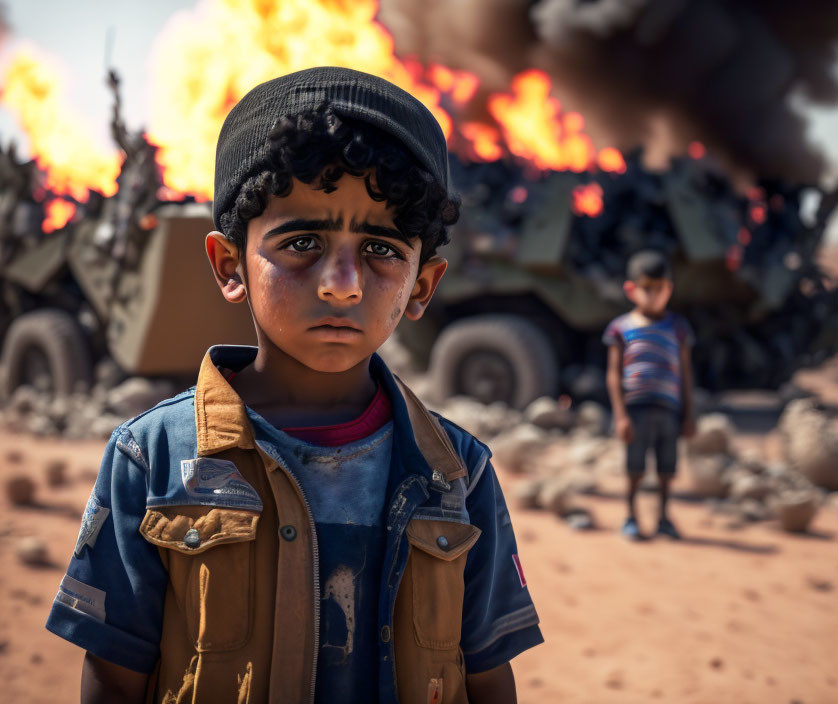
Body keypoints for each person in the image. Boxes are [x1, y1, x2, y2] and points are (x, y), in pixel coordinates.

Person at [46, 67, 543, 704]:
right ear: (230, 267)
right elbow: (113, 679)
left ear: (423, 285)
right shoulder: (155, 458)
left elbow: (488, 681)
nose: (343, 282)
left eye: (382, 249)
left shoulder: (458, 474)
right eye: (302, 241)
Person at [603, 249, 696, 541]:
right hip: (636, 410)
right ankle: (631, 516)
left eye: (661, 288)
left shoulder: (678, 329)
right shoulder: (621, 328)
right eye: (647, 289)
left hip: (668, 410)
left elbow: (685, 373)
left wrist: (689, 413)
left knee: (667, 467)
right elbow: (614, 374)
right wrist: (620, 416)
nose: (655, 295)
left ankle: (664, 518)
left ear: (670, 288)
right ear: (631, 290)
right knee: (635, 467)